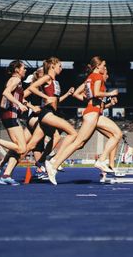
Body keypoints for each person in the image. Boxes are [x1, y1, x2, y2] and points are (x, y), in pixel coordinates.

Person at [44, 56, 121, 185]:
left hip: (94, 113)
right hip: (92, 113)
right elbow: (96, 93)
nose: (105, 68)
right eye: (103, 65)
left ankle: (101, 160)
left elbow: (77, 94)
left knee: (115, 135)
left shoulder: (89, 78)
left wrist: (92, 100)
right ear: (98, 66)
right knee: (77, 143)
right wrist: (110, 94)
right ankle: (54, 164)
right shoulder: (97, 77)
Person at [26, 57, 78, 185]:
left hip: (51, 113)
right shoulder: (47, 77)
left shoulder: (55, 81)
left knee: (52, 138)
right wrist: (45, 97)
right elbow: (32, 88)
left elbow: (56, 101)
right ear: (52, 66)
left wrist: (67, 94)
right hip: (46, 113)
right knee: (73, 133)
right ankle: (54, 160)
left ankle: (5, 163)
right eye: (60, 66)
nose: (62, 68)